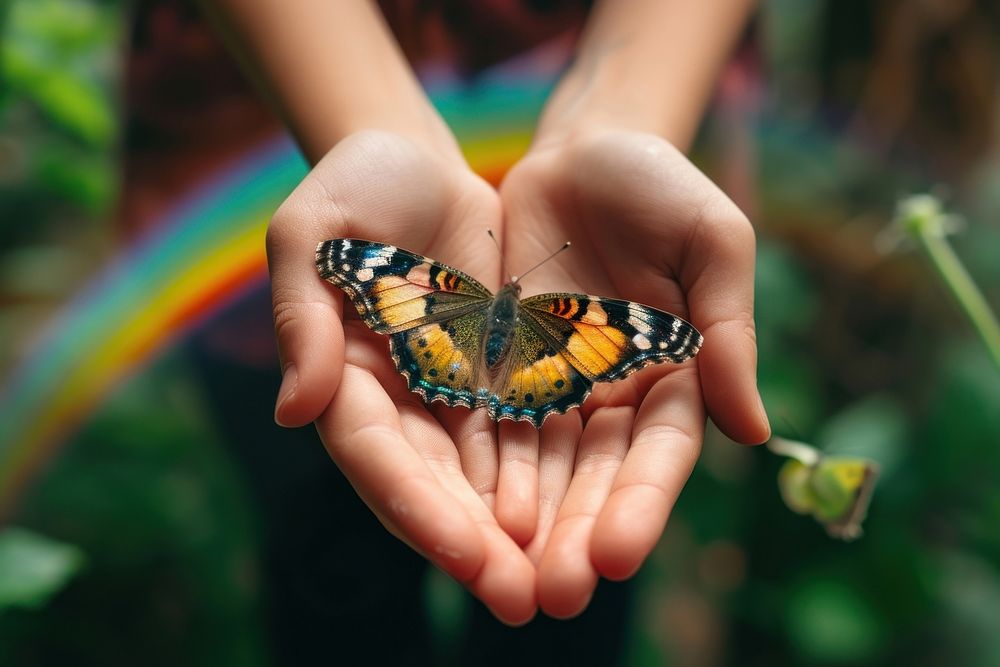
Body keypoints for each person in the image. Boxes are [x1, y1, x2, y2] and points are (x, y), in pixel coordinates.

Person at [201, 0, 770, 647]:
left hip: (650, 65)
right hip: (266, 100)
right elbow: (622, 333)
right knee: (331, 565)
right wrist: (366, 125)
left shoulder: (443, 289)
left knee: (564, 591)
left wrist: (621, 114)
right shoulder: (572, 318)